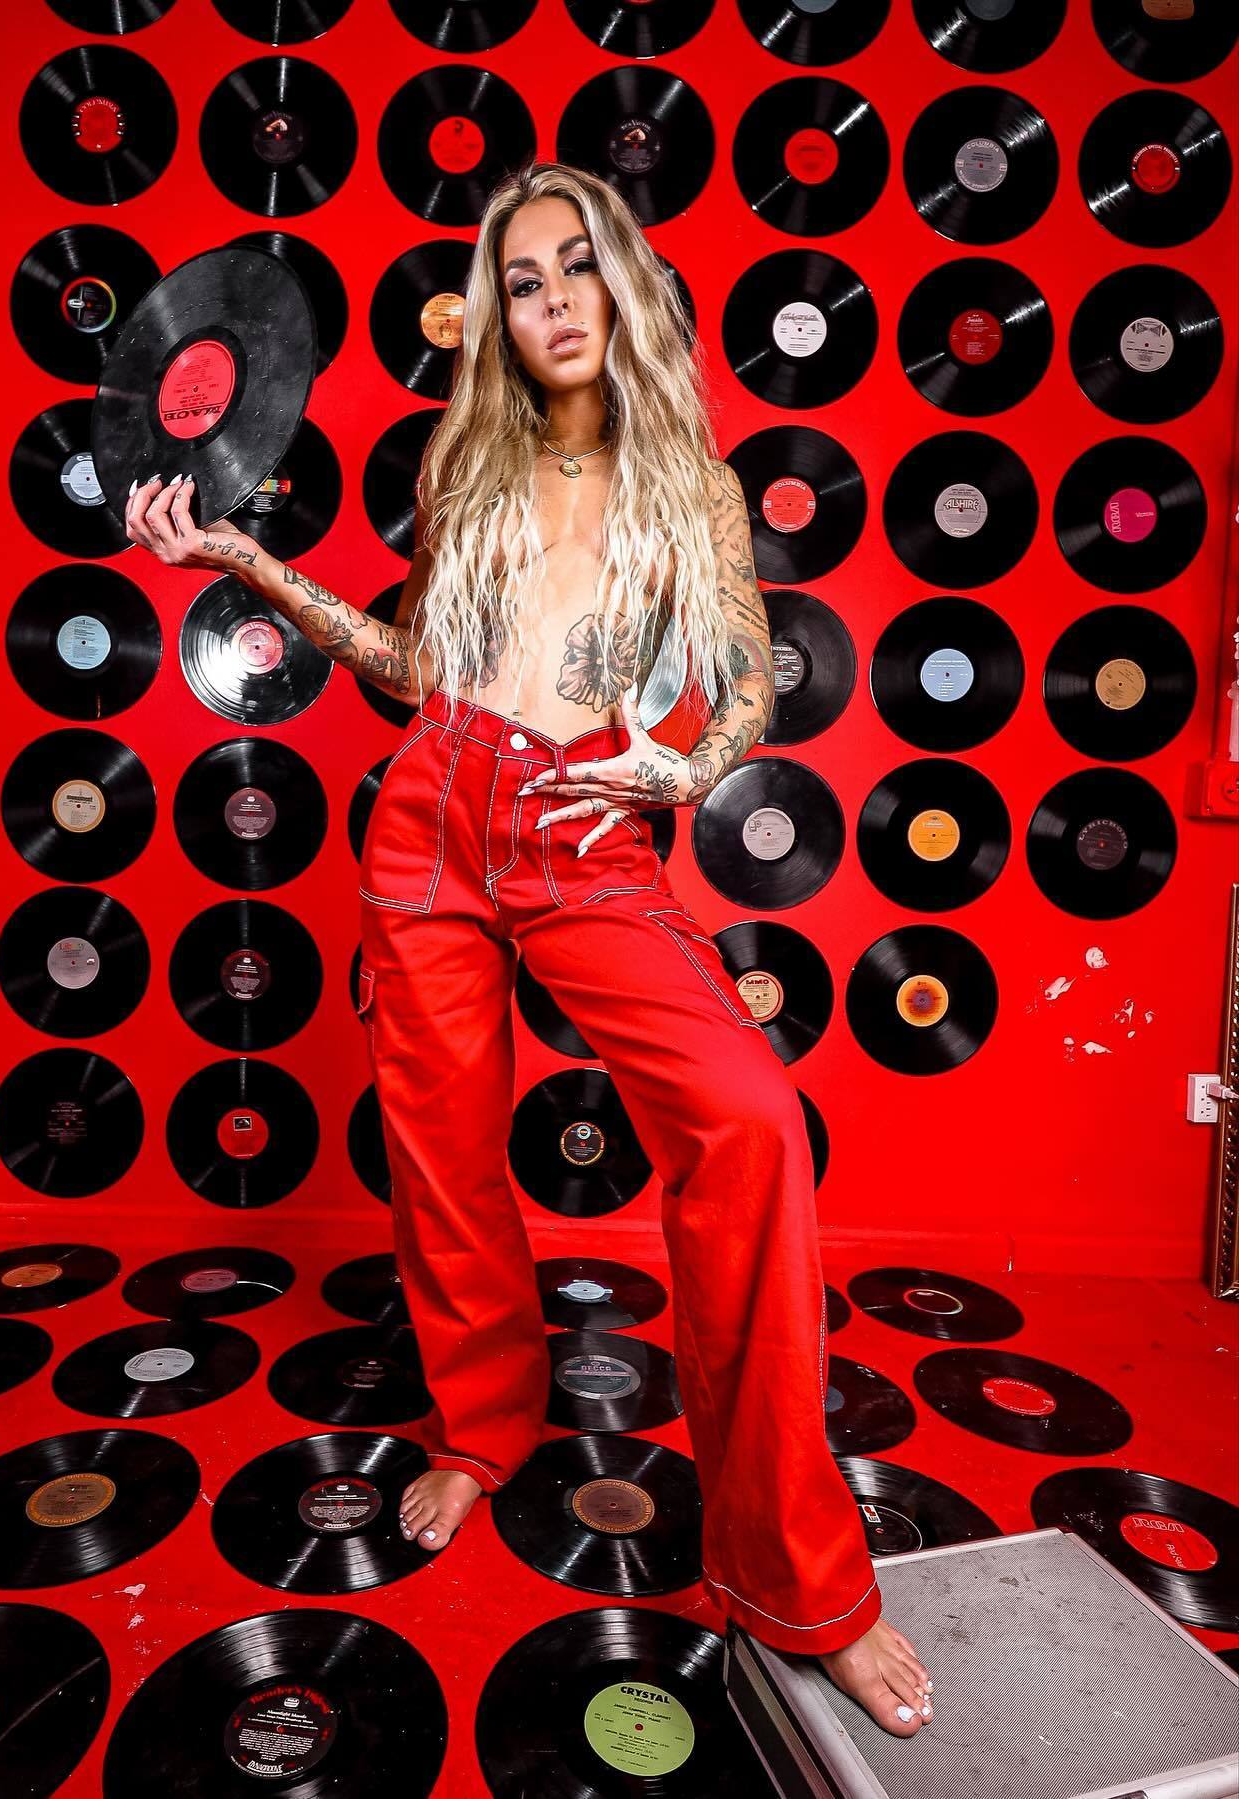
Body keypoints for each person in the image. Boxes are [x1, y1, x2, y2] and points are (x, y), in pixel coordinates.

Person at [123, 159, 935, 1738]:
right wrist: (249, 566)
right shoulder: (469, 459)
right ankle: (481, 1429)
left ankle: (795, 1577)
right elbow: (422, 662)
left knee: (751, 1125)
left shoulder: (690, 483)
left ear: (620, 284)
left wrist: (682, 772)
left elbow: (748, 689)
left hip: (586, 828)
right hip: (435, 809)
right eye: (522, 278)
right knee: (440, 1150)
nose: (553, 299)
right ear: (497, 310)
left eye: (576, 267)